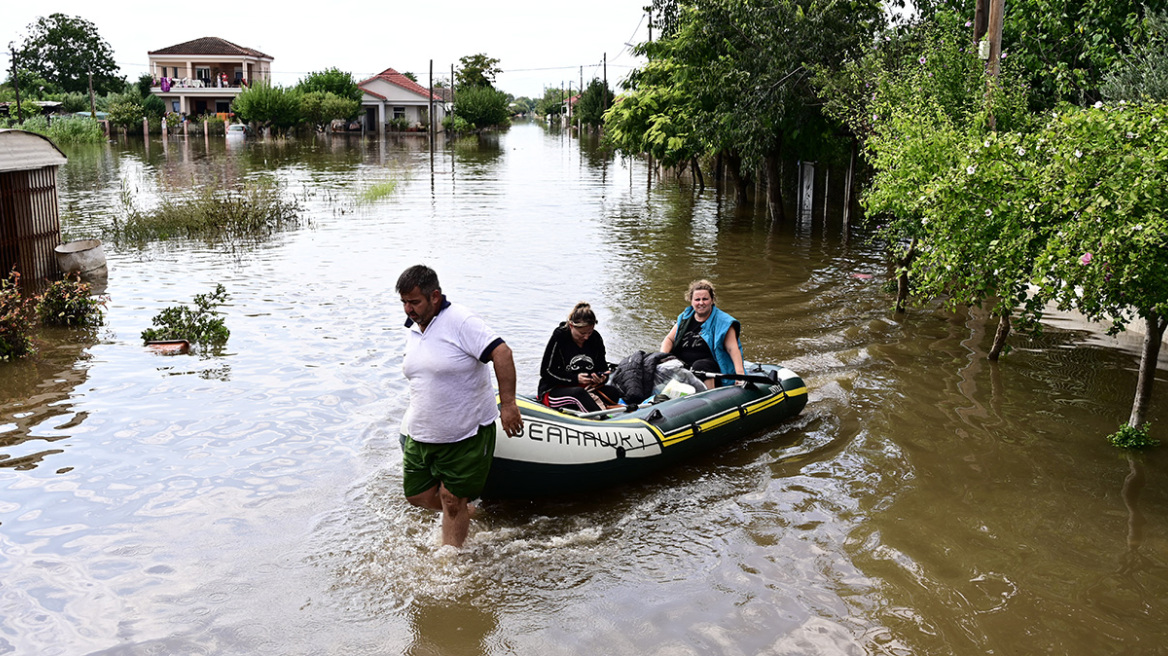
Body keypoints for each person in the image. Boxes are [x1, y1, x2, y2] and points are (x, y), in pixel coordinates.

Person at [396, 265, 522, 548]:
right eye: (404, 302)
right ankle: (467, 512)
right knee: (415, 495)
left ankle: (451, 566)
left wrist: (509, 404)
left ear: (435, 297)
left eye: (414, 302)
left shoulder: (461, 321)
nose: (408, 309)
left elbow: (502, 352)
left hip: (466, 433)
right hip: (423, 434)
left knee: (452, 500)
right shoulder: (415, 329)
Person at [659, 279, 745, 389]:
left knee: (700, 366)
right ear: (691, 301)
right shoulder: (685, 318)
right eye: (697, 299)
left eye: (705, 299)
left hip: (711, 369)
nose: (701, 303)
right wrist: (662, 357)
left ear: (712, 300)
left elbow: (732, 349)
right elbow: (669, 339)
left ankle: (709, 397)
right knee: (647, 360)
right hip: (684, 367)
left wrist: (740, 375)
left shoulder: (723, 322)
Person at [538, 302, 621, 412]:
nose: (586, 337)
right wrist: (575, 379)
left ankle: (584, 408)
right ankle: (601, 420)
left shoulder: (595, 338)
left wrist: (601, 378)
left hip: (586, 388)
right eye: (582, 333)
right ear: (572, 326)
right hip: (555, 390)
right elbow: (546, 372)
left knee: (613, 392)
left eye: (589, 332)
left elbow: (602, 367)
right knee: (578, 394)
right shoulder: (560, 338)